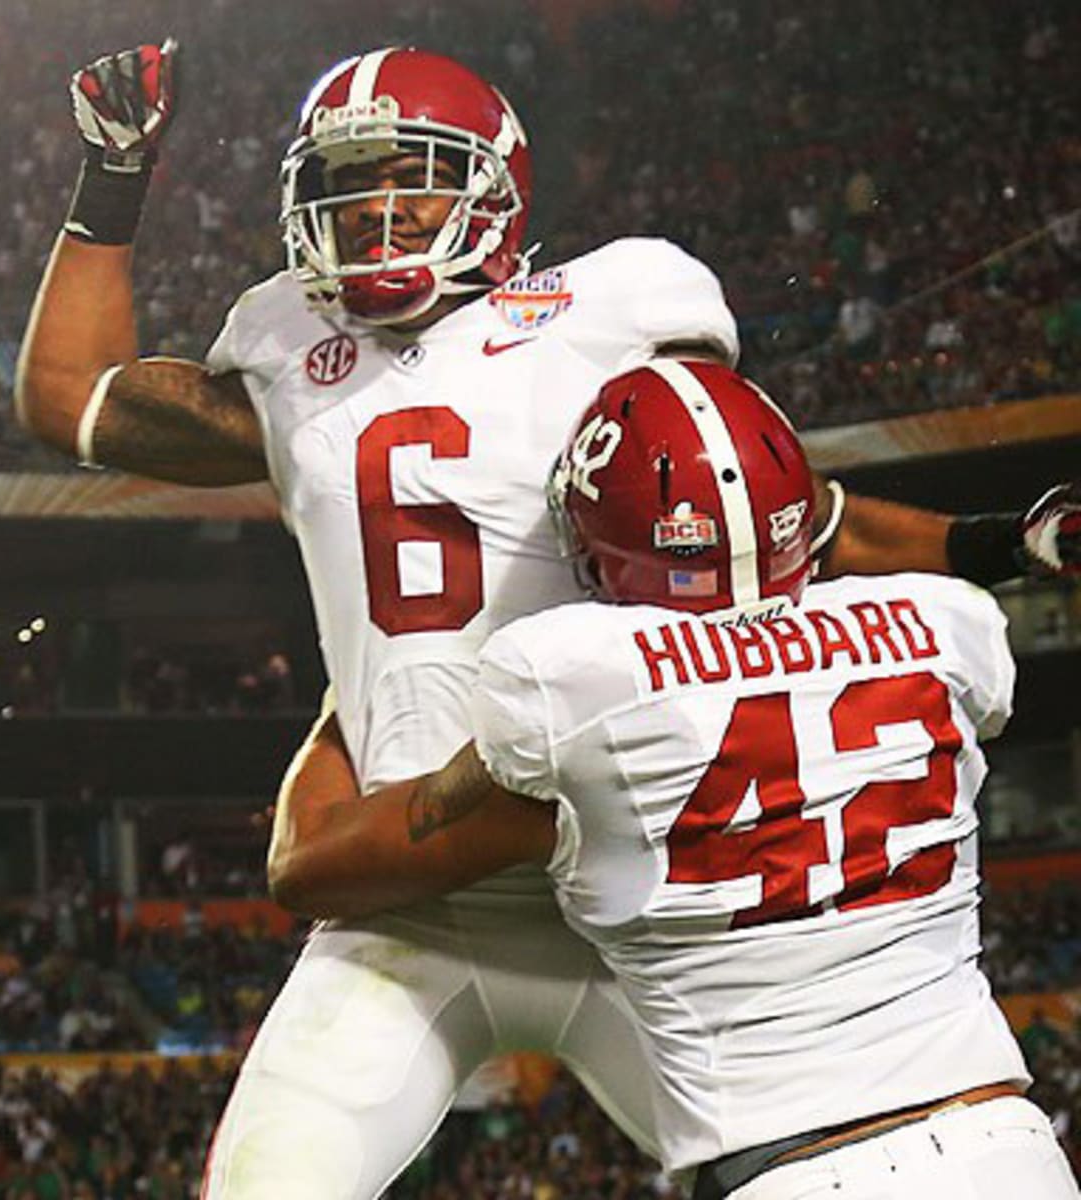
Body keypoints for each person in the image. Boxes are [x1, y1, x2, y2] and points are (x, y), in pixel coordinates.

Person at [15, 42, 1078, 1197]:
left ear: (494, 187)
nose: (375, 210)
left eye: (408, 177)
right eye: (349, 182)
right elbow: (71, 400)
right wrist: (113, 178)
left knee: (807, 1166)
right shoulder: (290, 355)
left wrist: (996, 543)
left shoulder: (613, 308)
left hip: (629, 890)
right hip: (404, 901)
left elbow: (767, 512)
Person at [289, 358, 1080, 1199]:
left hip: (799, 1171)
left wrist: (353, 693)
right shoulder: (949, 624)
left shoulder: (573, 683)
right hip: (1005, 1146)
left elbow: (310, 866)